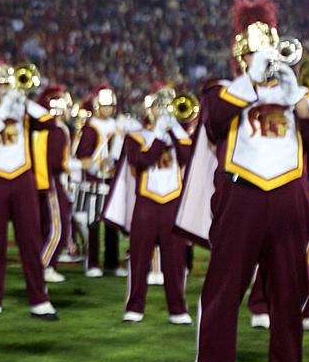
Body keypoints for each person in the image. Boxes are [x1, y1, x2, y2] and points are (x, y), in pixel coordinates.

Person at [187, 0, 309, 362]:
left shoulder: (298, 94)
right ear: (241, 54)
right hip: (240, 195)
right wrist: (251, 82)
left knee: (291, 289)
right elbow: (213, 120)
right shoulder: (222, 89)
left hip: (289, 197)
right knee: (223, 286)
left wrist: (299, 102)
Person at [103, 84, 192, 325]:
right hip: (146, 204)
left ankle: (178, 309)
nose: (163, 111)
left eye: (167, 106)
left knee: (175, 260)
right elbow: (142, 160)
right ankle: (134, 307)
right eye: (158, 106)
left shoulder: (180, 135)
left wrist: (173, 128)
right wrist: (160, 135)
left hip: (172, 203)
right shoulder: (136, 135)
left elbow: (188, 158)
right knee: (140, 258)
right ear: (149, 109)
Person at [0, 60, 58, 320]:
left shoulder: (23, 109)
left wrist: (24, 100)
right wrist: (6, 107)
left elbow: (48, 122)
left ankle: (39, 298)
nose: (4, 89)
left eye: (7, 84)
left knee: (30, 240)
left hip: (23, 177)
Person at [73, 83, 127, 277]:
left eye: (111, 106)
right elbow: (82, 155)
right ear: (97, 106)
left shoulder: (117, 126)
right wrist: (97, 165)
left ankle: (112, 263)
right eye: (105, 106)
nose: (109, 109)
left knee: (112, 225)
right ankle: (93, 263)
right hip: (95, 181)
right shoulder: (91, 128)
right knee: (93, 224)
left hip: (111, 181)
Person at [32, 83, 76, 284]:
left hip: (40, 181)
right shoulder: (57, 130)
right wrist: (77, 165)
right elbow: (58, 162)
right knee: (59, 227)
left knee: (45, 226)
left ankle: (44, 265)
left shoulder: (40, 128)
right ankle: (44, 265)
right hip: (51, 181)